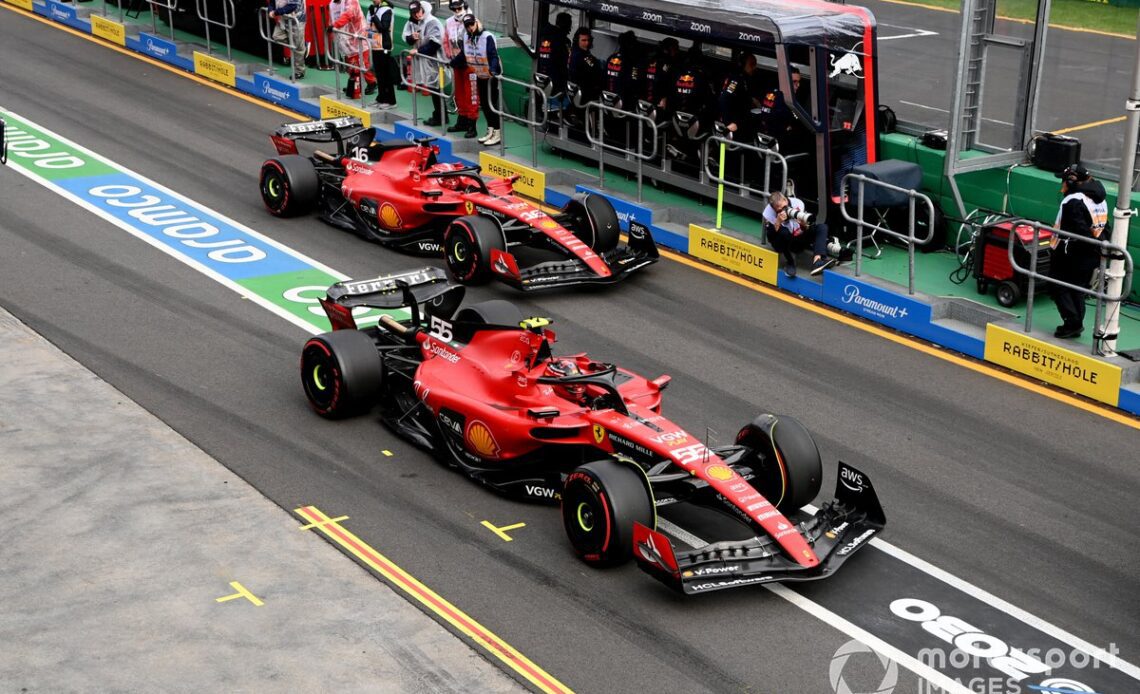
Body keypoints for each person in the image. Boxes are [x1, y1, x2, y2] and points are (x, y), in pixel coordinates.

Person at [1050, 164, 1108, 338]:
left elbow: (1075, 229)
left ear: (1071, 181)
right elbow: (1105, 226)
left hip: (1072, 252)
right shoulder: (1099, 198)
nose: (1062, 185)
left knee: (1057, 285)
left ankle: (1072, 322)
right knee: (1077, 288)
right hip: (1091, 253)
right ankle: (1076, 323)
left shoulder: (1073, 200)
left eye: (1064, 180)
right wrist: (1100, 245)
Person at [453, 13, 502, 146]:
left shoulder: (487, 37)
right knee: (485, 105)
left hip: (491, 76)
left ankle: (498, 133)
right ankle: (490, 130)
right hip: (479, 75)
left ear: (476, 23)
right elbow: (464, 54)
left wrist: (492, 69)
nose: (470, 28)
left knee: (491, 105)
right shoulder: (467, 37)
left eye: (471, 24)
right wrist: (453, 62)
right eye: (467, 26)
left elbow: (493, 56)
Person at [763, 191, 836, 278]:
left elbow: (804, 230)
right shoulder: (768, 213)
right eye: (779, 210)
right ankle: (790, 262)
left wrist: (803, 225)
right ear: (774, 209)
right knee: (784, 233)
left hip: (797, 238)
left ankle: (817, 261)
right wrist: (778, 223)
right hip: (782, 244)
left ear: (786, 200)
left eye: (784, 207)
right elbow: (771, 238)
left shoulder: (797, 203)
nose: (783, 211)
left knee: (822, 227)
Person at [403, 1, 447, 127]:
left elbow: (435, 43)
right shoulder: (412, 21)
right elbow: (406, 38)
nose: (417, 15)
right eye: (414, 13)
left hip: (435, 60)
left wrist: (418, 50)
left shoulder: (432, 21)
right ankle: (439, 115)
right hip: (424, 60)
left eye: (418, 11)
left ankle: (441, 116)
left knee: (437, 89)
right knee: (433, 89)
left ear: (422, 9)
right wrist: (412, 38)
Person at [443, 0, 478, 137]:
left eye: (459, 8)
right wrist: (449, 57)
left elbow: (473, 45)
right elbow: (446, 41)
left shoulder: (472, 20)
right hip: (457, 64)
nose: (457, 11)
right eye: (454, 9)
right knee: (459, 94)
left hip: (471, 66)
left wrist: (455, 61)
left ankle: (472, 126)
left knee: (472, 96)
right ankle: (462, 121)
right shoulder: (448, 22)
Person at [329, 0, 377, 98]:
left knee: (361, 64)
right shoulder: (332, 4)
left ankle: (372, 83)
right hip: (347, 40)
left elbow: (348, 15)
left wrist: (335, 25)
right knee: (350, 65)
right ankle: (353, 85)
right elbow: (332, 19)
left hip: (359, 37)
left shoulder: (352, 2)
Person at [534, 12, 572, 108]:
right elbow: (564, 64)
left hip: (540, 77)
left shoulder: (543, 35)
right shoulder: (563, 41)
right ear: (567, 25)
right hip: (556, 83)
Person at [367, 0, 398, 108]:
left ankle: (391, 101)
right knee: (379, 74)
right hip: (375, 46)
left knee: (386, 75)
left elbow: (383, 28)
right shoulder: (374, 9)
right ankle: (381, 98)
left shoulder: (387, 10)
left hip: (384, 47)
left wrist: (373, 15)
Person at [268, 0, 306, 79]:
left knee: (298, 48)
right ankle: (303, 44)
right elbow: (271, 3)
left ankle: (299, 72)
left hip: (297, 21)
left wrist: (275, 13)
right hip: (283, 19)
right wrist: (270, 10)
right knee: (276, 36)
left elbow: (292, 6)